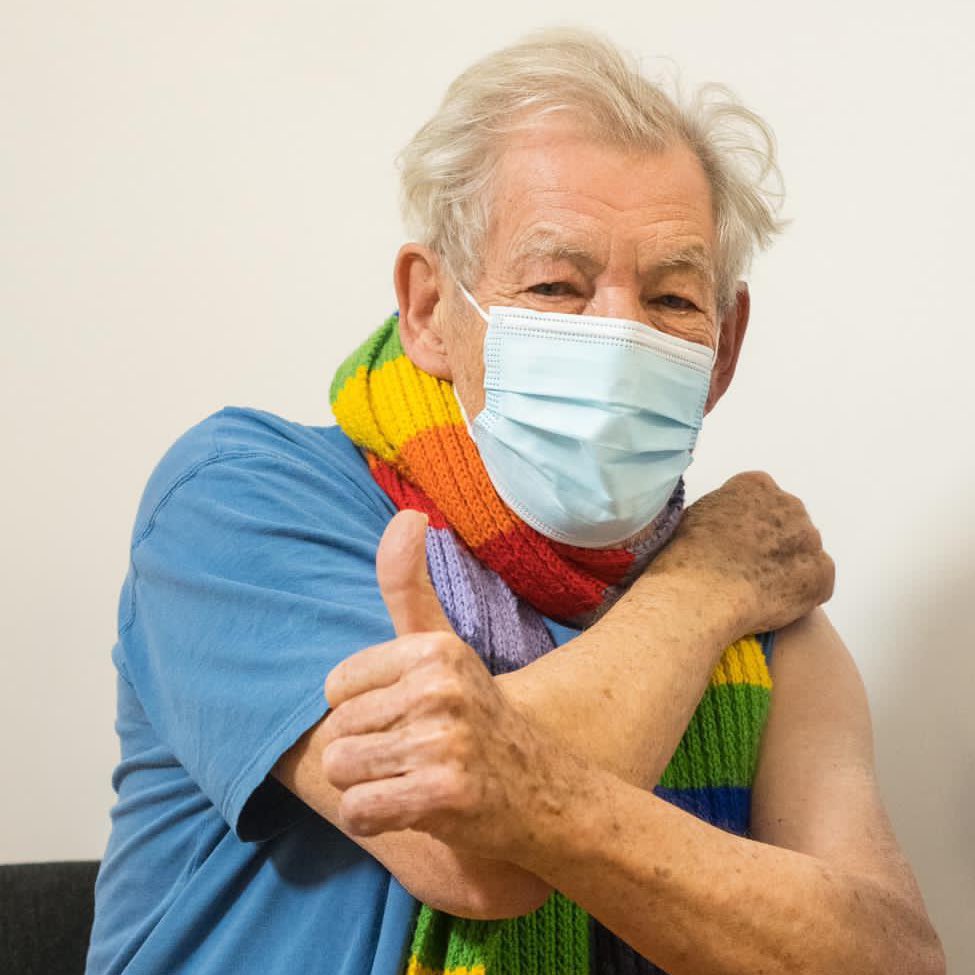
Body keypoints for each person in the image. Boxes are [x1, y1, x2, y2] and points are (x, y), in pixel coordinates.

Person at [86, 28, 943, 975]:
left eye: (670, 300)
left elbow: (890, 957)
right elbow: (470, 856)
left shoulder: (769, 619)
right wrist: (698, 589)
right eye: (554, 285)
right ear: (427, 312)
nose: (616, 333)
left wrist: (516, 762)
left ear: (723, 349)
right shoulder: (242, 498)